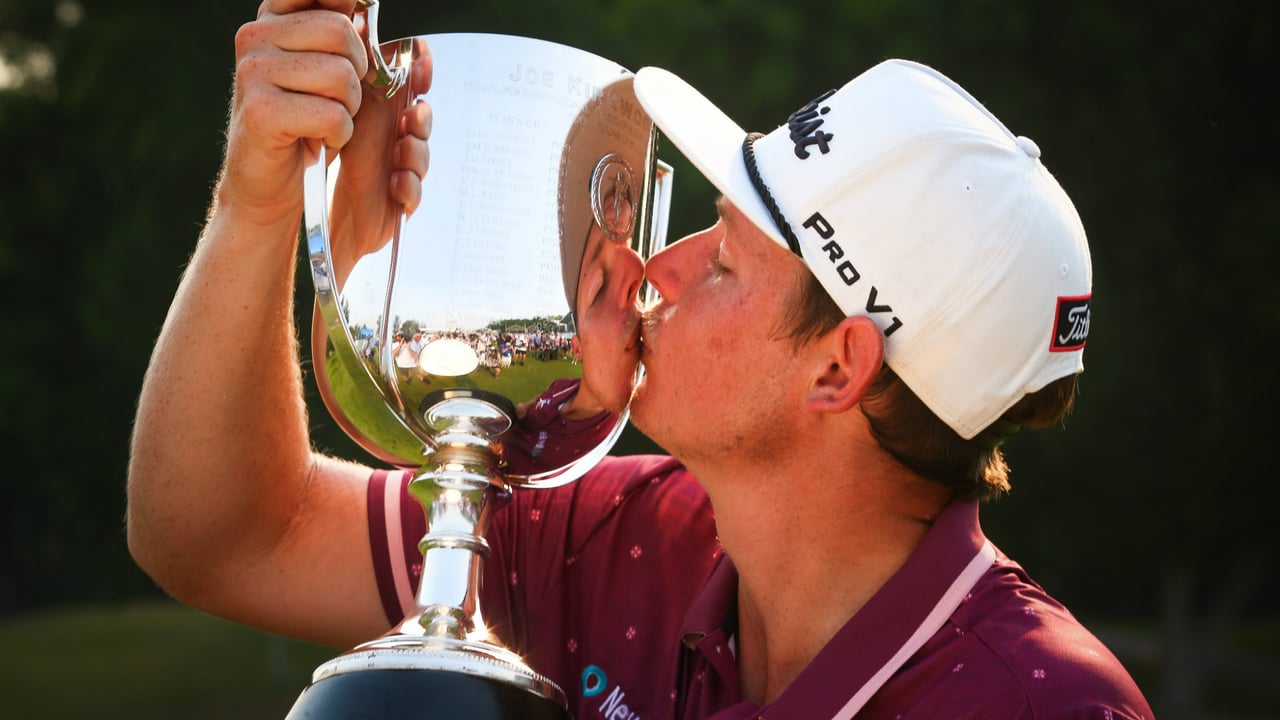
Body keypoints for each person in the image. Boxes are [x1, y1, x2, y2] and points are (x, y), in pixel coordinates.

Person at [127, 3, 1154, 720]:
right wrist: (260, 200)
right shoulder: (619, 530)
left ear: (836, 370)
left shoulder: (1039, 708)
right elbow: (221, 535)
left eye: (723, 257)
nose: (656, 268)